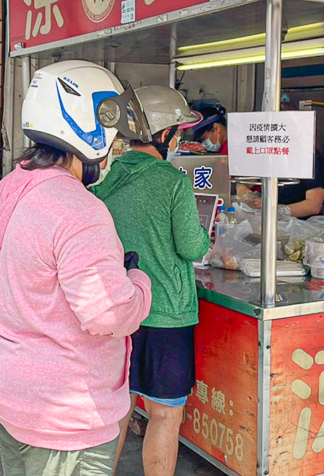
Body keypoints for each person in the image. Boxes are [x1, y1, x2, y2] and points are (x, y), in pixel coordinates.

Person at [0, 60, 152, 476]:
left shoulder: (13, 186)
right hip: (62, 412)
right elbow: (108, 313)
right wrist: (138, 283)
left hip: (7, 390)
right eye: (112, 141)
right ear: (89, 131)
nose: (112, 152)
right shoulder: (77, 208)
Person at [91, 85, 211, 476]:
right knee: (164, 415)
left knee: (118, 409)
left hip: (119, 311)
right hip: (165, 315)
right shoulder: (172, 182)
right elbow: (193, 247)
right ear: (165, 135)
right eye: (177, 131)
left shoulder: (104, 179)